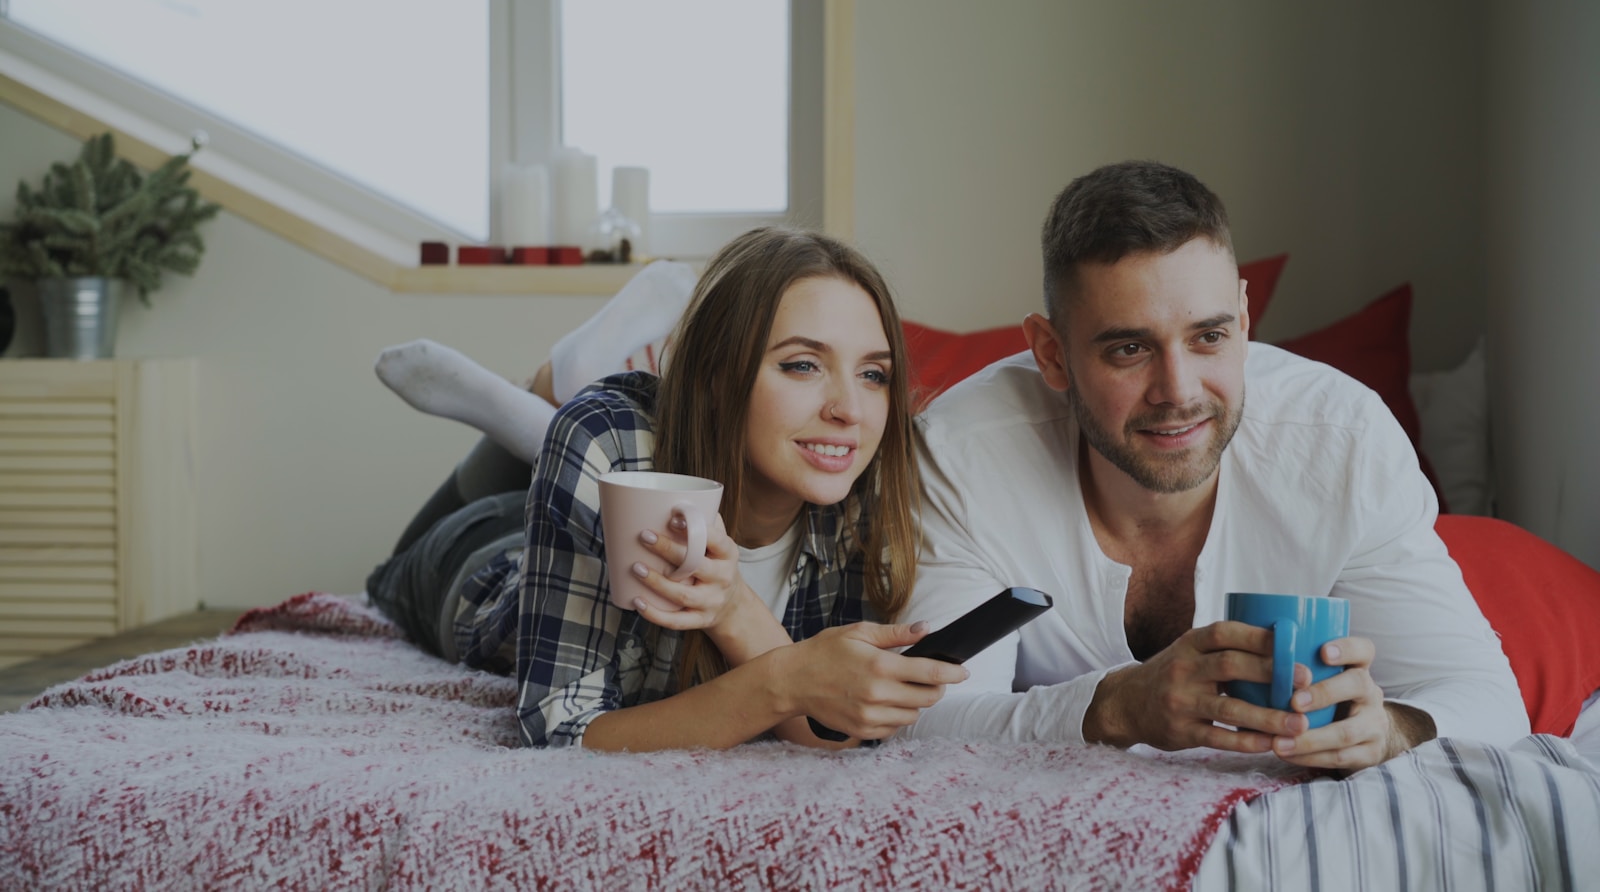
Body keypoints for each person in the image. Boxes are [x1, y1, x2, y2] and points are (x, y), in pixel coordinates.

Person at [900, 160, 1529, 772]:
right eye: (1129, 348)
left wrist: (1390, 728)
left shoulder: (1345, 443)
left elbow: (1485, 698)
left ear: (1245, 319)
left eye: (1210, 338)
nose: (1178, 391)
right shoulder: (961, 454)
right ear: (1052, 354)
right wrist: (1115, 707)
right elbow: (922, 719)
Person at [367, 226, 969, 751]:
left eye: (873, 374)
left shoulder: (868, 480)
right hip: (481, 566)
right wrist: (781, 681)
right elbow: (557, 729)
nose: (851, 411)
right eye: (802, 365)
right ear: (714, 376)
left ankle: (545, 398)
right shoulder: (605, 439)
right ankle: (542, 399)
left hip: (600, 471)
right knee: (388, 573)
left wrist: (746, 623)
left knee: (584, 442)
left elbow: (829, 730)